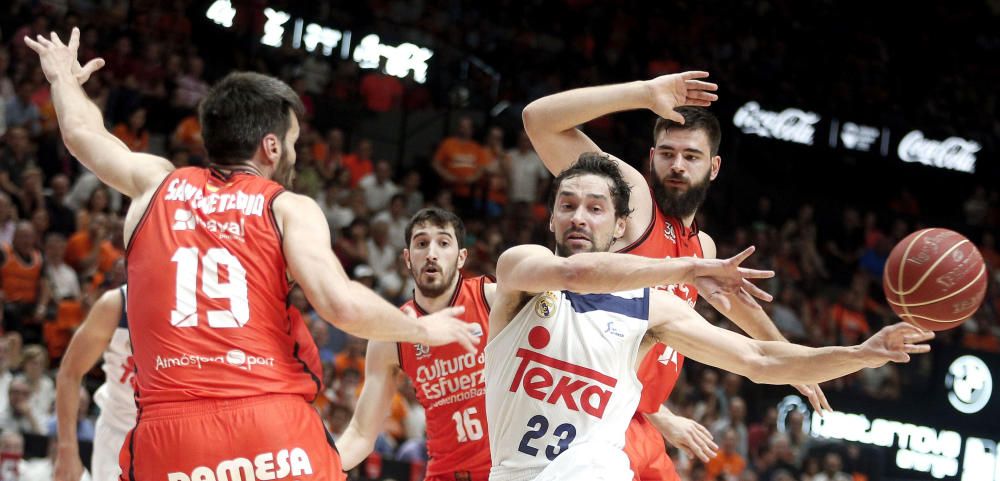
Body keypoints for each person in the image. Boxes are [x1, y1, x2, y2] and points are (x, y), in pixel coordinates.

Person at [26, 28, 478, 481]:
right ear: (272, 145)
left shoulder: (154, 184)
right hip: (268, 425)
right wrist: (419, 327)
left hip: (170, 438)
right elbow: (339, 303)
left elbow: (81, 133)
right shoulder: (286, 206)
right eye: (294, 143)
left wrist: (63, 78)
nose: (295, 155)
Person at [484, 154, 932, 481]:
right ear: (551, 219)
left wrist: (862, 353)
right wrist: (690, 267)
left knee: (595, 461)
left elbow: (760, 359)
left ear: (620, 226)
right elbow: (576, 274)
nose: (578, 217)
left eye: (595, 208)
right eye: (567, 205)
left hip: (596, 472)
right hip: (513, 474)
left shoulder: (651, 308)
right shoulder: (521, 269)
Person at [522, 72, 831, 479]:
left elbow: (737, 305)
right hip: (588, 416)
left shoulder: (703, 248)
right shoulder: (630, 200)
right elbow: (538, 119)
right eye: (667, 154)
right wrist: (642, 93)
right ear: (651, 158)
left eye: (691, 156)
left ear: (714, 167)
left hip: (640, 420)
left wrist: (791, 361)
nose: (677, 165)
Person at [338, 208, 496, 481]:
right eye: (421, 244)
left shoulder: (492, 299)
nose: (431, 253)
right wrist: (312, 469)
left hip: (505, 471)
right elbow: (362, 434)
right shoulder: (391, 335)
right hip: (443, 473)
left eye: (443, 243)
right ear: (407, 258)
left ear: (461, 258)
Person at [54, 285, 131, 481]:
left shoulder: (202, 300)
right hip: (119, 434)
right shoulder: (116, 303)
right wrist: (67, 449)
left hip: (178, 435)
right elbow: (69, 373)